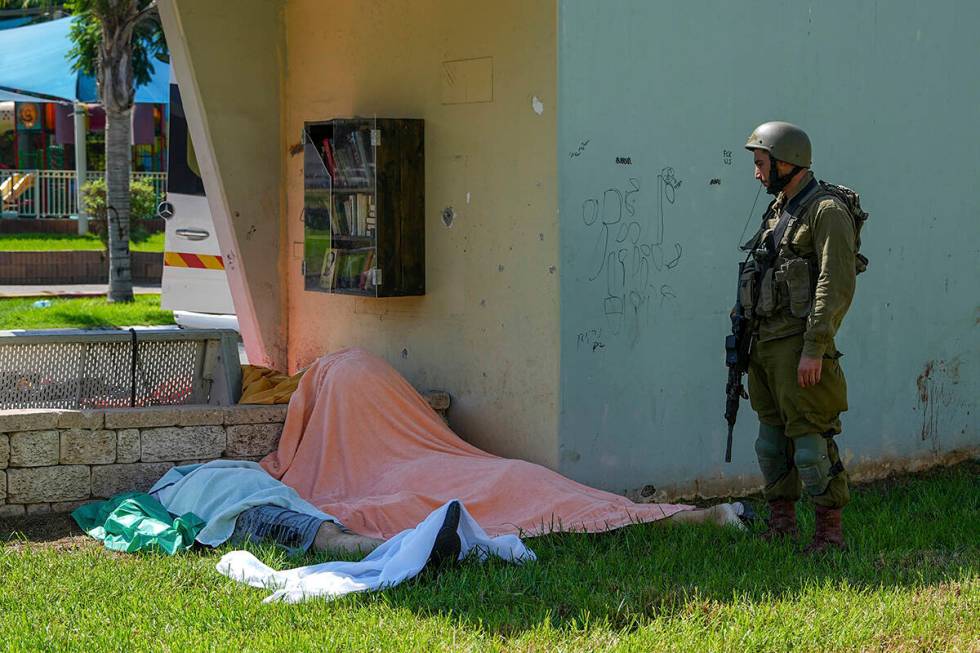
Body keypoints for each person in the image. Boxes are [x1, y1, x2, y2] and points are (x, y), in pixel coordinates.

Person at [741, 121, 857, 553]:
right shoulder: (779, 210)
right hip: (765, 345)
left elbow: (835, 282)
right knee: (771, 443)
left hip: (799, 345)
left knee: (809, 443)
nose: (757, 173)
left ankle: (829, 536)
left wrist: (815, 347)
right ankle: (781, 524)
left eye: (761, 163)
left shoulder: (826, 211)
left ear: (785, 162)